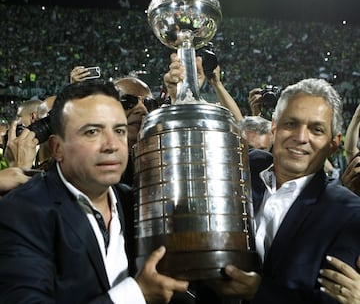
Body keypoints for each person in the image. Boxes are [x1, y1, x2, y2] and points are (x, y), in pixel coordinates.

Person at [0, 80, 188, 303]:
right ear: (57, 148)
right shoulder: (22, 211)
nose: (112, 145)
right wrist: (136, 295)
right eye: (92, 132)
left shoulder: (136, 203)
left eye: (119, 130)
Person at [196, 78, 360, 304]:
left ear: (333, 143)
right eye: (291, 124)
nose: (301, 137)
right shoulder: (243, 167)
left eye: (317, 129)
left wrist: (259, 293)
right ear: (274, 128)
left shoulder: (348, 213)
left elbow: (331, 301)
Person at [163, 53, 244, 122]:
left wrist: (216, 83)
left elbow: (239, 126)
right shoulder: (165, 111)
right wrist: (178, 97)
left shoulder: (213, 109)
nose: (198, 61)